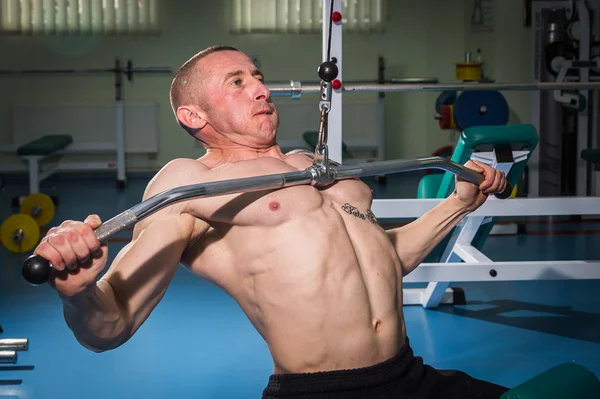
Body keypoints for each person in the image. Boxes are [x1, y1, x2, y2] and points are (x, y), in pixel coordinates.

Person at [34, 45, 510, 398]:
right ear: (193, 115)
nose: (261, 88)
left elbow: (385, 260)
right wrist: (79, 293)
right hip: (322, 391)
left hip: (412, 376)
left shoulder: (318, 165)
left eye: (257, 76)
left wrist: (459, 203)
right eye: (236, 82)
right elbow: (110, 324)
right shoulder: (191, 182)